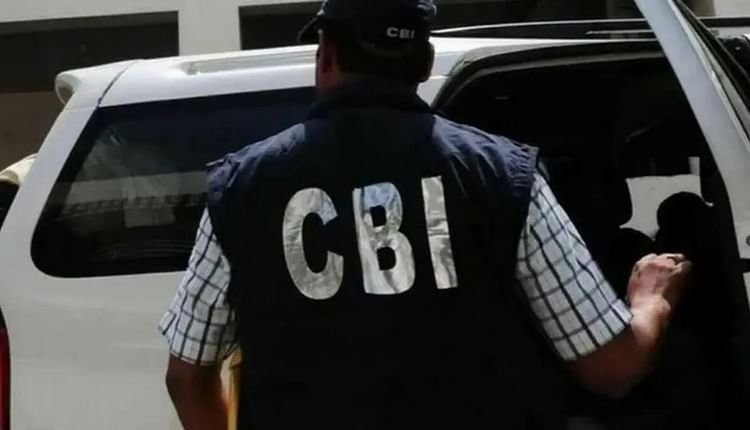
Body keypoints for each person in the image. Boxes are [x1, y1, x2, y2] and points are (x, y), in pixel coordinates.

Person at [159, 1, 692, 429]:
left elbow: (188, 377)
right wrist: (651, 299)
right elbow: (613, 367)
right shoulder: (503, 176)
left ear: (325, 57)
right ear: (425, 63)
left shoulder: (240, 188)